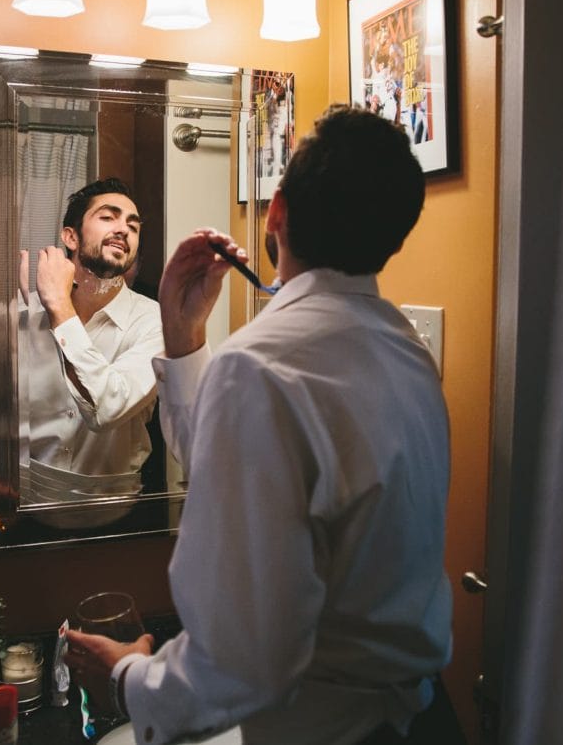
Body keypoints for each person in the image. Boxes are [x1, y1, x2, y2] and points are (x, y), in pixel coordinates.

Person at [66, 106, 461, 744]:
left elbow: (239, 664)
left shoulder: (260, 365)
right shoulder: (410, 354)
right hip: (425, 717)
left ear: (276, 214)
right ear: (393, 235)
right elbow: (243, 477)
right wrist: (184, 332)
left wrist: (126, 679)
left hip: (323, 730)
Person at [18, 177, 164, 479]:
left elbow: (107, 409)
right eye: (108, 217)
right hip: (28, 510)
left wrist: (60, 307)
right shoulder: (22, 314)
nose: (123, 229)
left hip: (118, 515)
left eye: (133, 226)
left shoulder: (155, 322)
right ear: (71, 238)